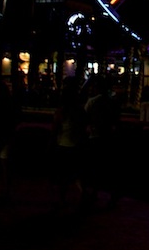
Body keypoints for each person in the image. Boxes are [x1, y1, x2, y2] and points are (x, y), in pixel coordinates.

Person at [83, 75, 122, 209]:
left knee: (94, 167)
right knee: (106, 167)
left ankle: (94, 193)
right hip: (108, 137)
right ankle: (111, 193)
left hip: (95, 137)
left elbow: (84, 117)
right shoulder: (111, 101)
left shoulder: (92, 102)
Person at [51, 76, 89, 210]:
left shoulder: (61, 112)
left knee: (63, 175)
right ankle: (83, 193)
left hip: (64, 145)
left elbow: (55, 129)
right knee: (77, 173)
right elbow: (85, 127)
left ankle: (62, 200)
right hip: (77, 144)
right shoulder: (80, 111)